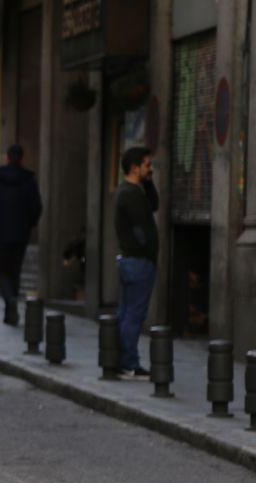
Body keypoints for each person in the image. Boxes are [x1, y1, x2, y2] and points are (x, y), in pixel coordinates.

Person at [0, 144, 43, 325]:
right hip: (20, 233)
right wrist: (29, 225)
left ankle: (10, 301)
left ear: (7, 157)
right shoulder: (28, 180)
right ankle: (11, 309)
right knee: (15, 271)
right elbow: (36, 207)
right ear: (21, 159)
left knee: (1, 271)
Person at [113, 146, 160, 379]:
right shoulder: (129, 194)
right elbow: (141, 229)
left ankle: (120, 360)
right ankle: (128, 363)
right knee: (133, 314)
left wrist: (149, 181)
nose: (150, 168)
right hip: (138, 262)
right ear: (134, 168)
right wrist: (147, 249)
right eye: (147, 165)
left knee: (127, 312)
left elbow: (155, 205)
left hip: (133, 261)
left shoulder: (133, 191)